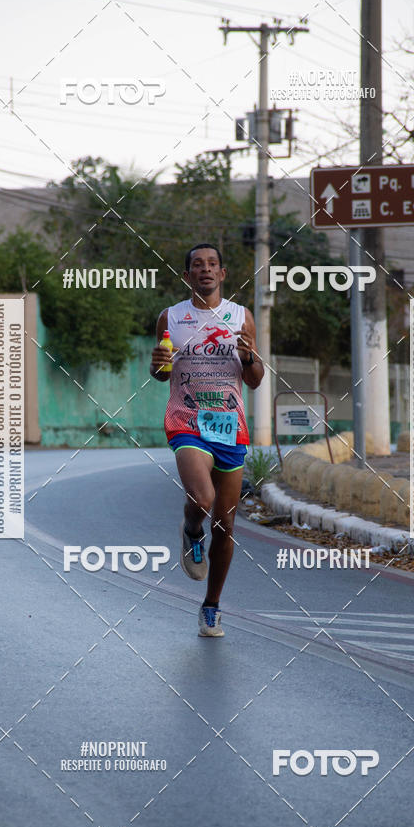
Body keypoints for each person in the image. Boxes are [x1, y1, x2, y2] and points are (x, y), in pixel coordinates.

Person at [150, 244, 264, 637]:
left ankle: (211, 606)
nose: (206, 270)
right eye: (197, 265)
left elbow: (255, 379)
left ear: (223, 273)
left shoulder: (241, 317)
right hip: (187, 420)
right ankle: (191, 529)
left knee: (226, 523)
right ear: (187, 275)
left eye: (212, 264)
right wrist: (157, 366)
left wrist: (249, 357)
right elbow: (161, 373)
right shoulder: (171, 317)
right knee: (202, 498)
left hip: (229, 426)